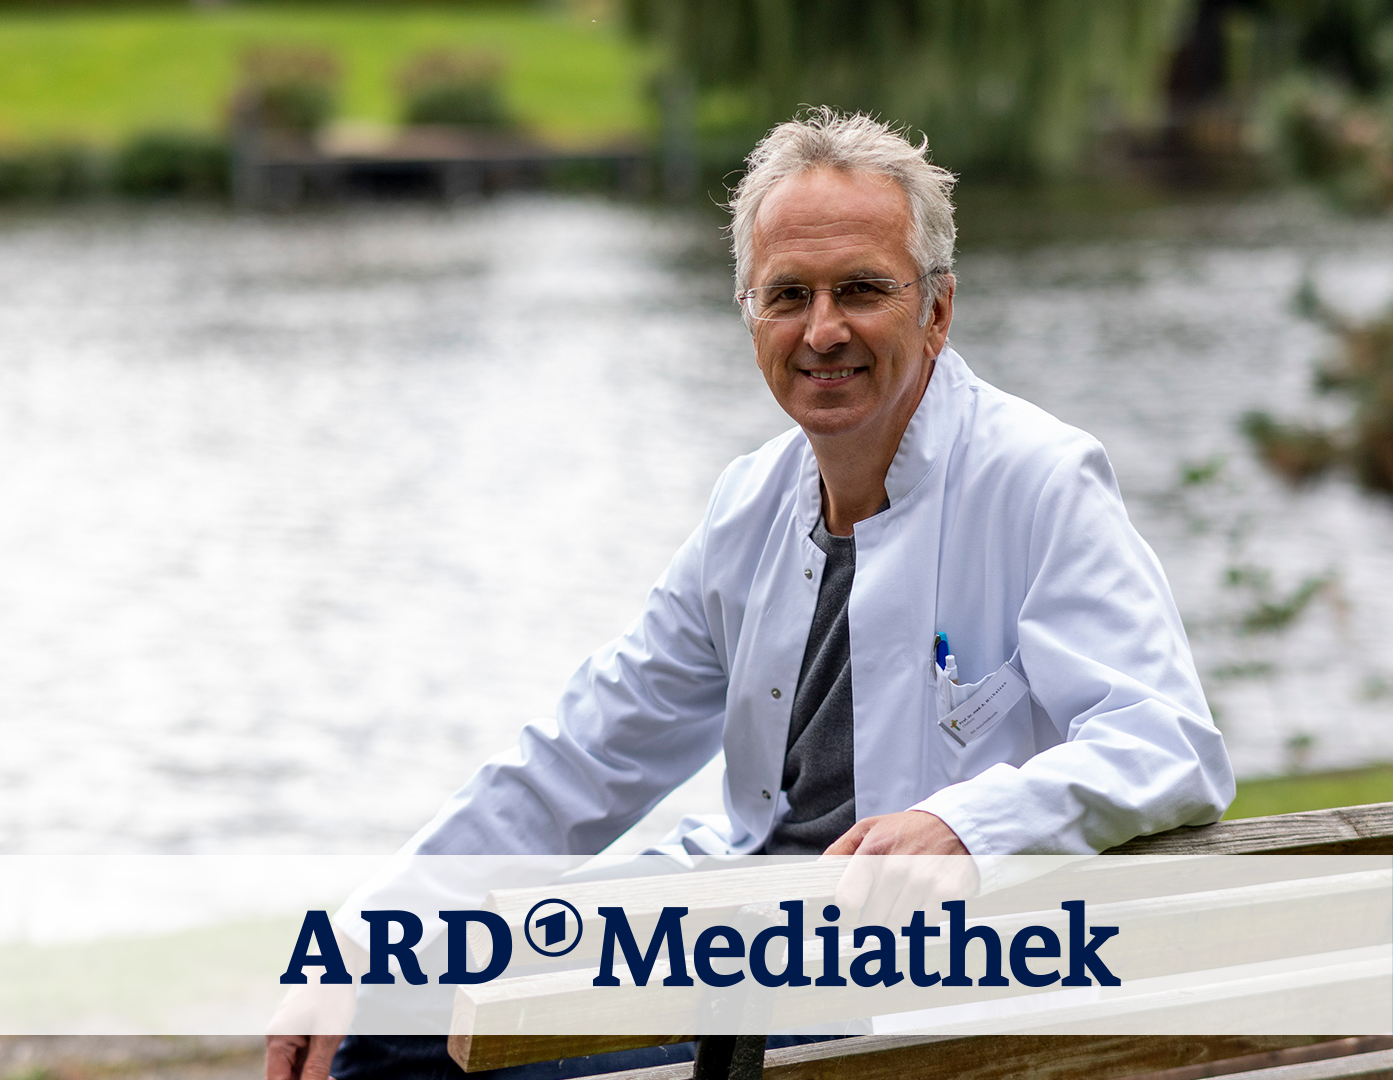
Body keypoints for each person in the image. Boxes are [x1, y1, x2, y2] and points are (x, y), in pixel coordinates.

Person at [266, 109, 1234, 1080]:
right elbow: (586, 751)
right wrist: (367, 928)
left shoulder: (1037, 480)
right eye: (788, 296)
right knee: (381, 1016)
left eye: (861, 289)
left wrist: (968, 826)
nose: (822, 330)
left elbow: (1167, 743)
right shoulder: (750, 504)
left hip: (911, 992)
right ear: (748, 313)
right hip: (737, 949)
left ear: (936, 310)